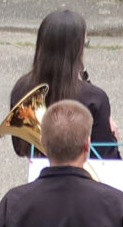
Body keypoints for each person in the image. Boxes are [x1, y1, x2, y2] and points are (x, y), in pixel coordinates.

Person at [7, 9, 116, 160]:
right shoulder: (95, 98)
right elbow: (105, 158)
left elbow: (19, 148)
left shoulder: (21, 87)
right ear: (77, 49)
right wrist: (112, 135)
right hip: (81, 179)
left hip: (39, 177)